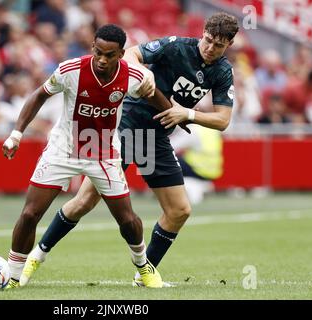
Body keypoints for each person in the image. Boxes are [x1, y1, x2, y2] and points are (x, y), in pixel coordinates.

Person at [26, 12, 239, 287]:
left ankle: (144, 275)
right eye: (208, 40)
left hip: (155, 138)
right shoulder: (176, 46)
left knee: (180, 210)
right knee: (85, 202)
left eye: (218, 45)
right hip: (126, 127)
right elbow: (130, 56)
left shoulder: (222, 71)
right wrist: (144, 75)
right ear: (203, 33)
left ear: (229, 45)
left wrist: (187, 114)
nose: (210, 48)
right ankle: (36, 255)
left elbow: (223, 120)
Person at [2, 24, 174, 289]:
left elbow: (154, 97)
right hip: (63, 149)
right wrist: (16, 133)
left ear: (121, 54)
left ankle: (144, 268)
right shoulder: (69, 71)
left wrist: (173, 115)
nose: (103, 60)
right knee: (29, 214)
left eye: (110, 55)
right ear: (93, 46)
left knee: (127, 220)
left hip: (104, 154)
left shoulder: (133, 77)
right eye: (98, 52)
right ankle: (13, 276)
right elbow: (39, 96)